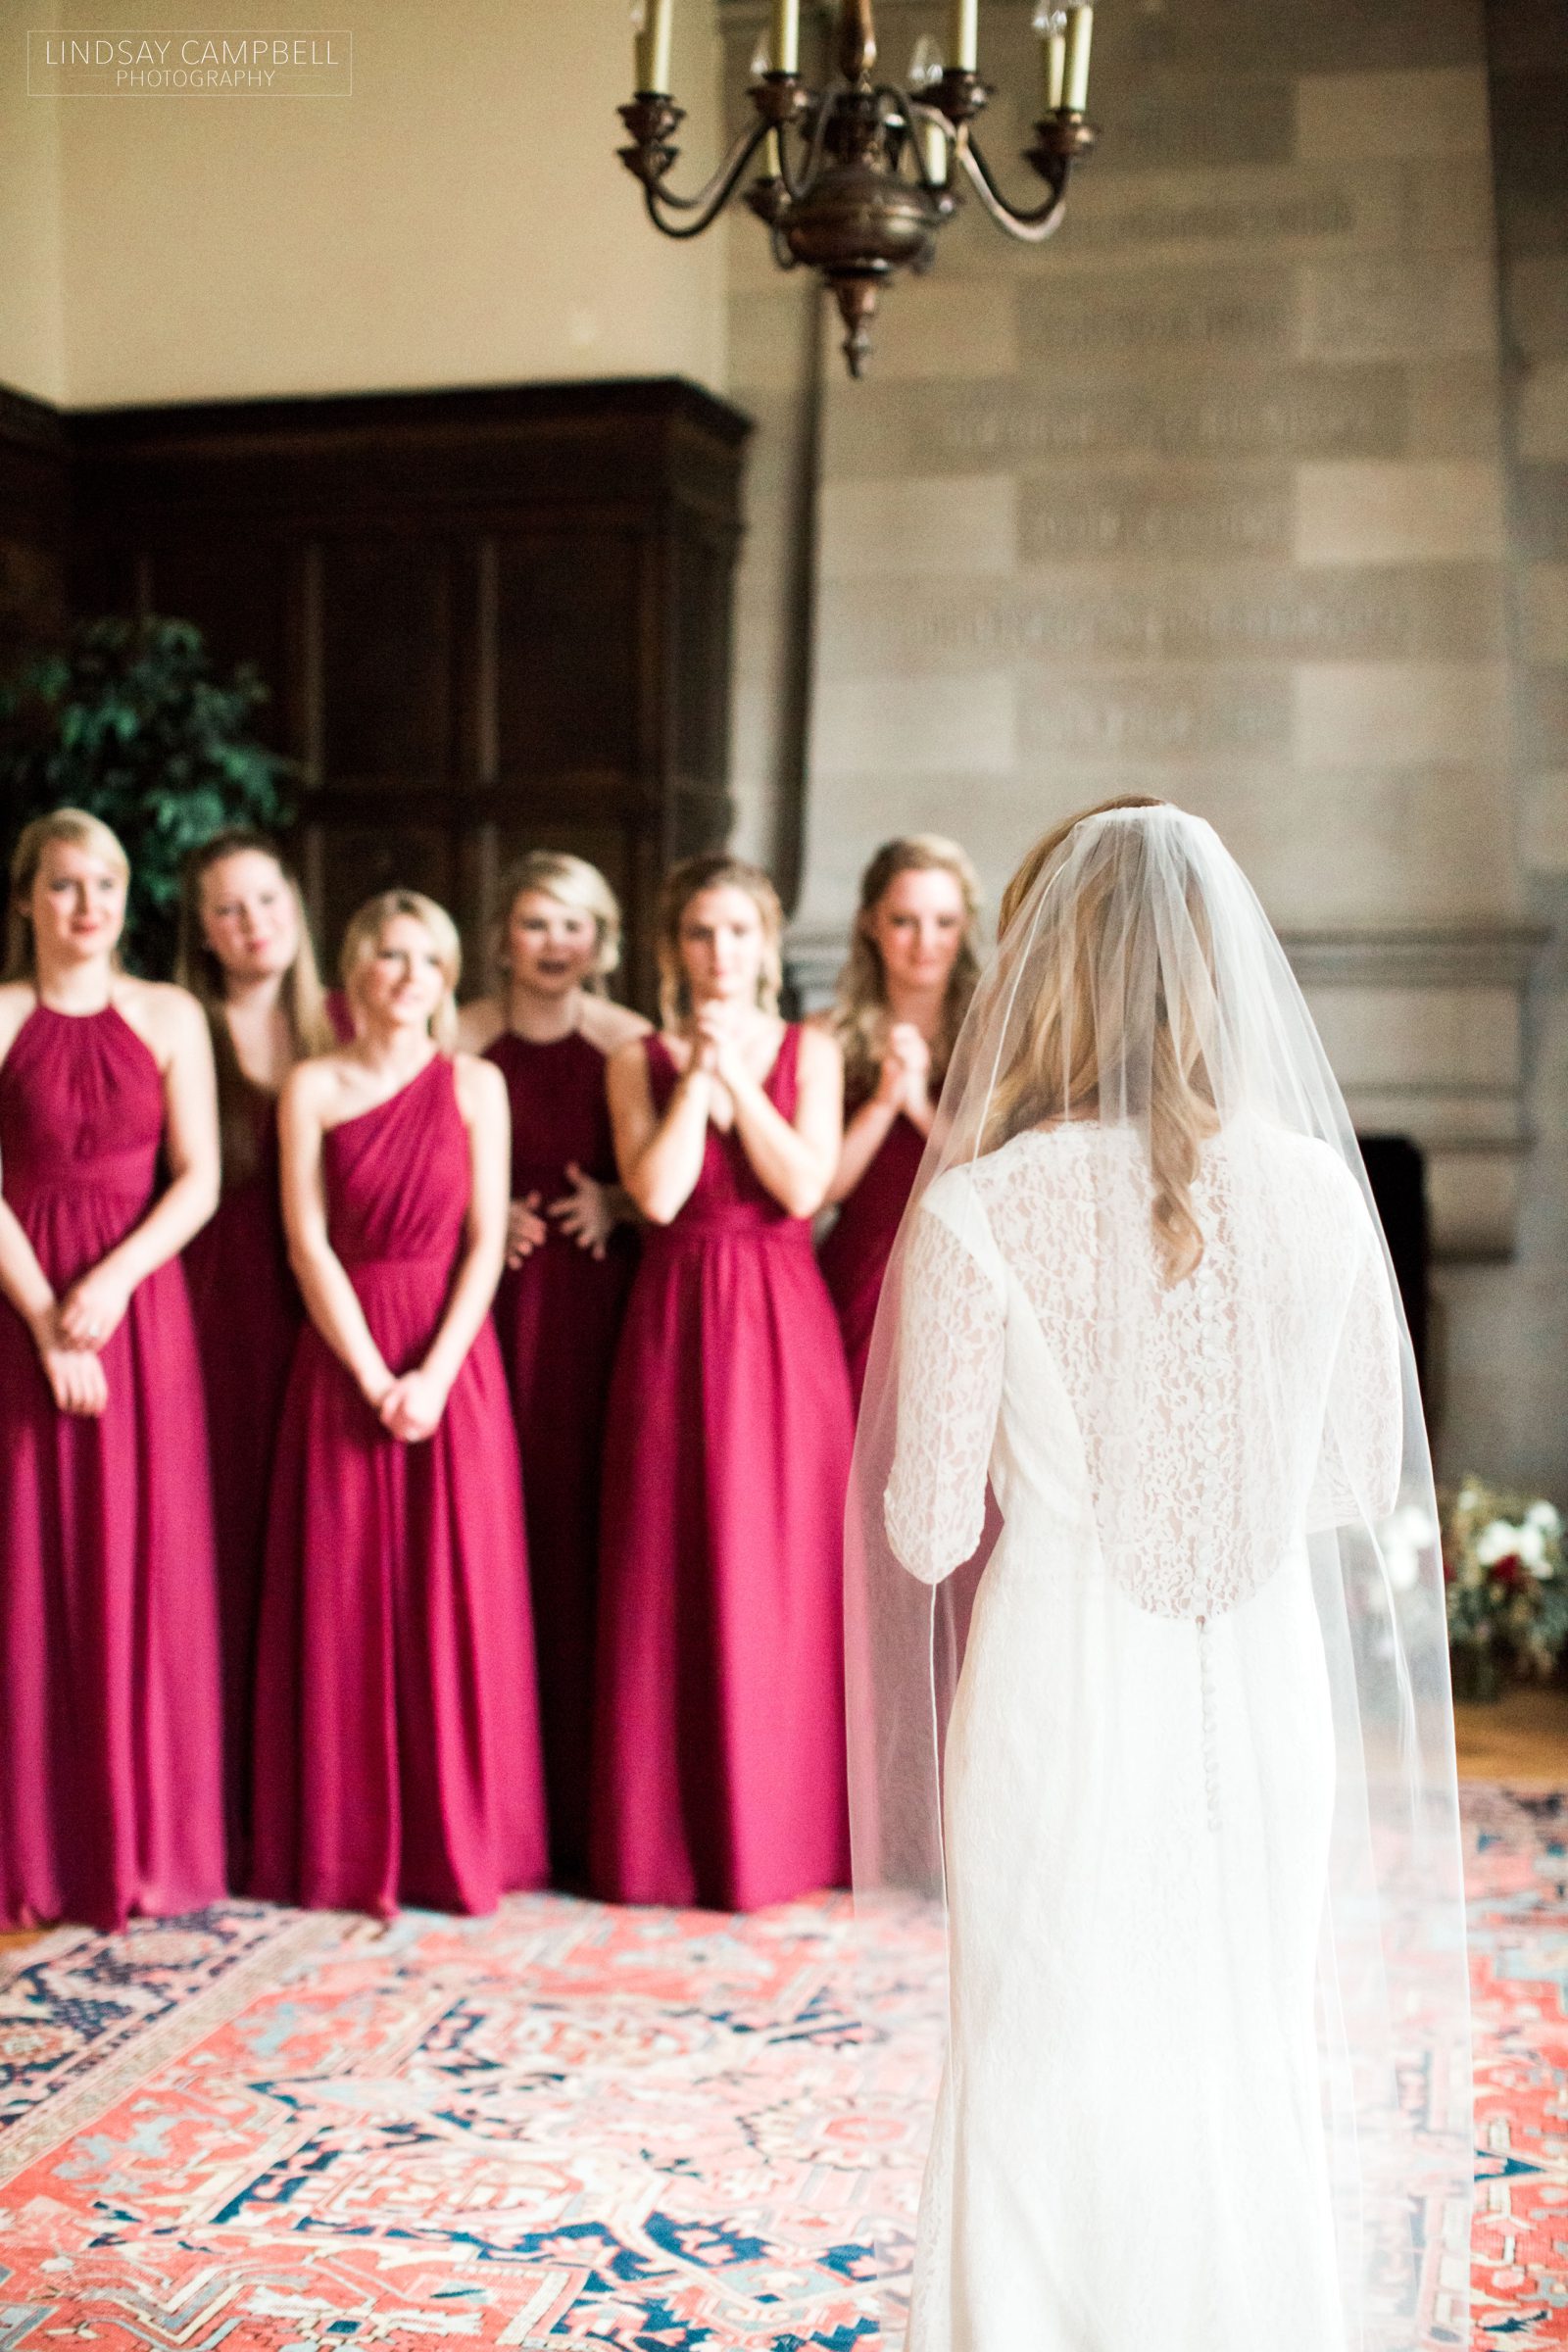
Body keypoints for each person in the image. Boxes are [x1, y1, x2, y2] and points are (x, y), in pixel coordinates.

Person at [848, 798, 1472, 2350]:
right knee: (1237, 2049)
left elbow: (924, 1530)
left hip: (1061, 1679)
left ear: (1040, 973)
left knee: (1045, 2058)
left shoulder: (982, 1208)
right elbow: (1352, 1483)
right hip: (1258, 1685)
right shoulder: (1321, 1195)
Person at [251, 888, 548, 1917]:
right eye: (388, 956)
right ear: (354, 973)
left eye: (427, 960)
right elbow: (306, 1242)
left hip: (453, 1360)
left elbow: (481, 1244)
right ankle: (344, 1849)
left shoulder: (476, 1084)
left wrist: (431, 1370)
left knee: (451, 1593)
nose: (408, 976)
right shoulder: (312, 1087)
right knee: (344, 1597)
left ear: (447, 976)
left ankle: (459, 1840)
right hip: (341, 1359)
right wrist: (373, 1374)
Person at [592, 854, 853, 1911]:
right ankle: (668, 1843)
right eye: (699, 934)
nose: (718, 953)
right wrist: (693, 1081)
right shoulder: (636, 1058)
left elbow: (803, 1185)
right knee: (672, 1560)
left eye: (738, 932)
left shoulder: (813, 1050)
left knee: (782, 1570)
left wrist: (737, 1080)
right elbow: (652, 1196)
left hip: (784, 1315)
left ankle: (790, 1836)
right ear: (673, 949)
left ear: (767, 944)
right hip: (674, 1313)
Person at [0, 808, 225, 1931]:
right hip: (19, 1306)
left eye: (105, 885)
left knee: (141, 1559)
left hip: (140, 1315)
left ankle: (141, 1843)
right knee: (28, 1561)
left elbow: (199, 1179)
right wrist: (46, 1314)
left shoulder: (172, 1014)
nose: (87, 906)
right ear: (29, 899)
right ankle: (37, 1848)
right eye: (64, 885)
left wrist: (113, 1284)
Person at [458, 853, 648, 1886]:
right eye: (535, 923)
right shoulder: (459, 1038)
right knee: (501, 1534)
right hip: (490, 1310)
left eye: (574, 924)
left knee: (586, 1532)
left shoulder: (632, 1043)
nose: (554, 943)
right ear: (502, 936)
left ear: (602, 938)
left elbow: (676, 1177)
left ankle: (586, 1799)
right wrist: (484, 1220)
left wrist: (614, 1205)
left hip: (600, 1307)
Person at [175, 829, 335, 1875]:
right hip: (214, 1309)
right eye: (228, 911)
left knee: (313, 1551)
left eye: (265, 899)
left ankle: (306, 1792)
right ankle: (213, 1803)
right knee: (220, 1544)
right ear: (202, 931)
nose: (252, 925)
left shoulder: (355, 1016)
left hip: (327, 1314)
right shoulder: (179, 1024)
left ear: (295, 903)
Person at [819, 837, 980, 1405]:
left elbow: (999, 1170)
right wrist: (884, 1101)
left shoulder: (993, 1032)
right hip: (861, 1270)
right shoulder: (825, 1036)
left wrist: (919, 1107)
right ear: (870, 924)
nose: (926, 943)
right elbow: (820, 1189)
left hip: (966, 1265)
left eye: (945, 922)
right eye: (905, 921)